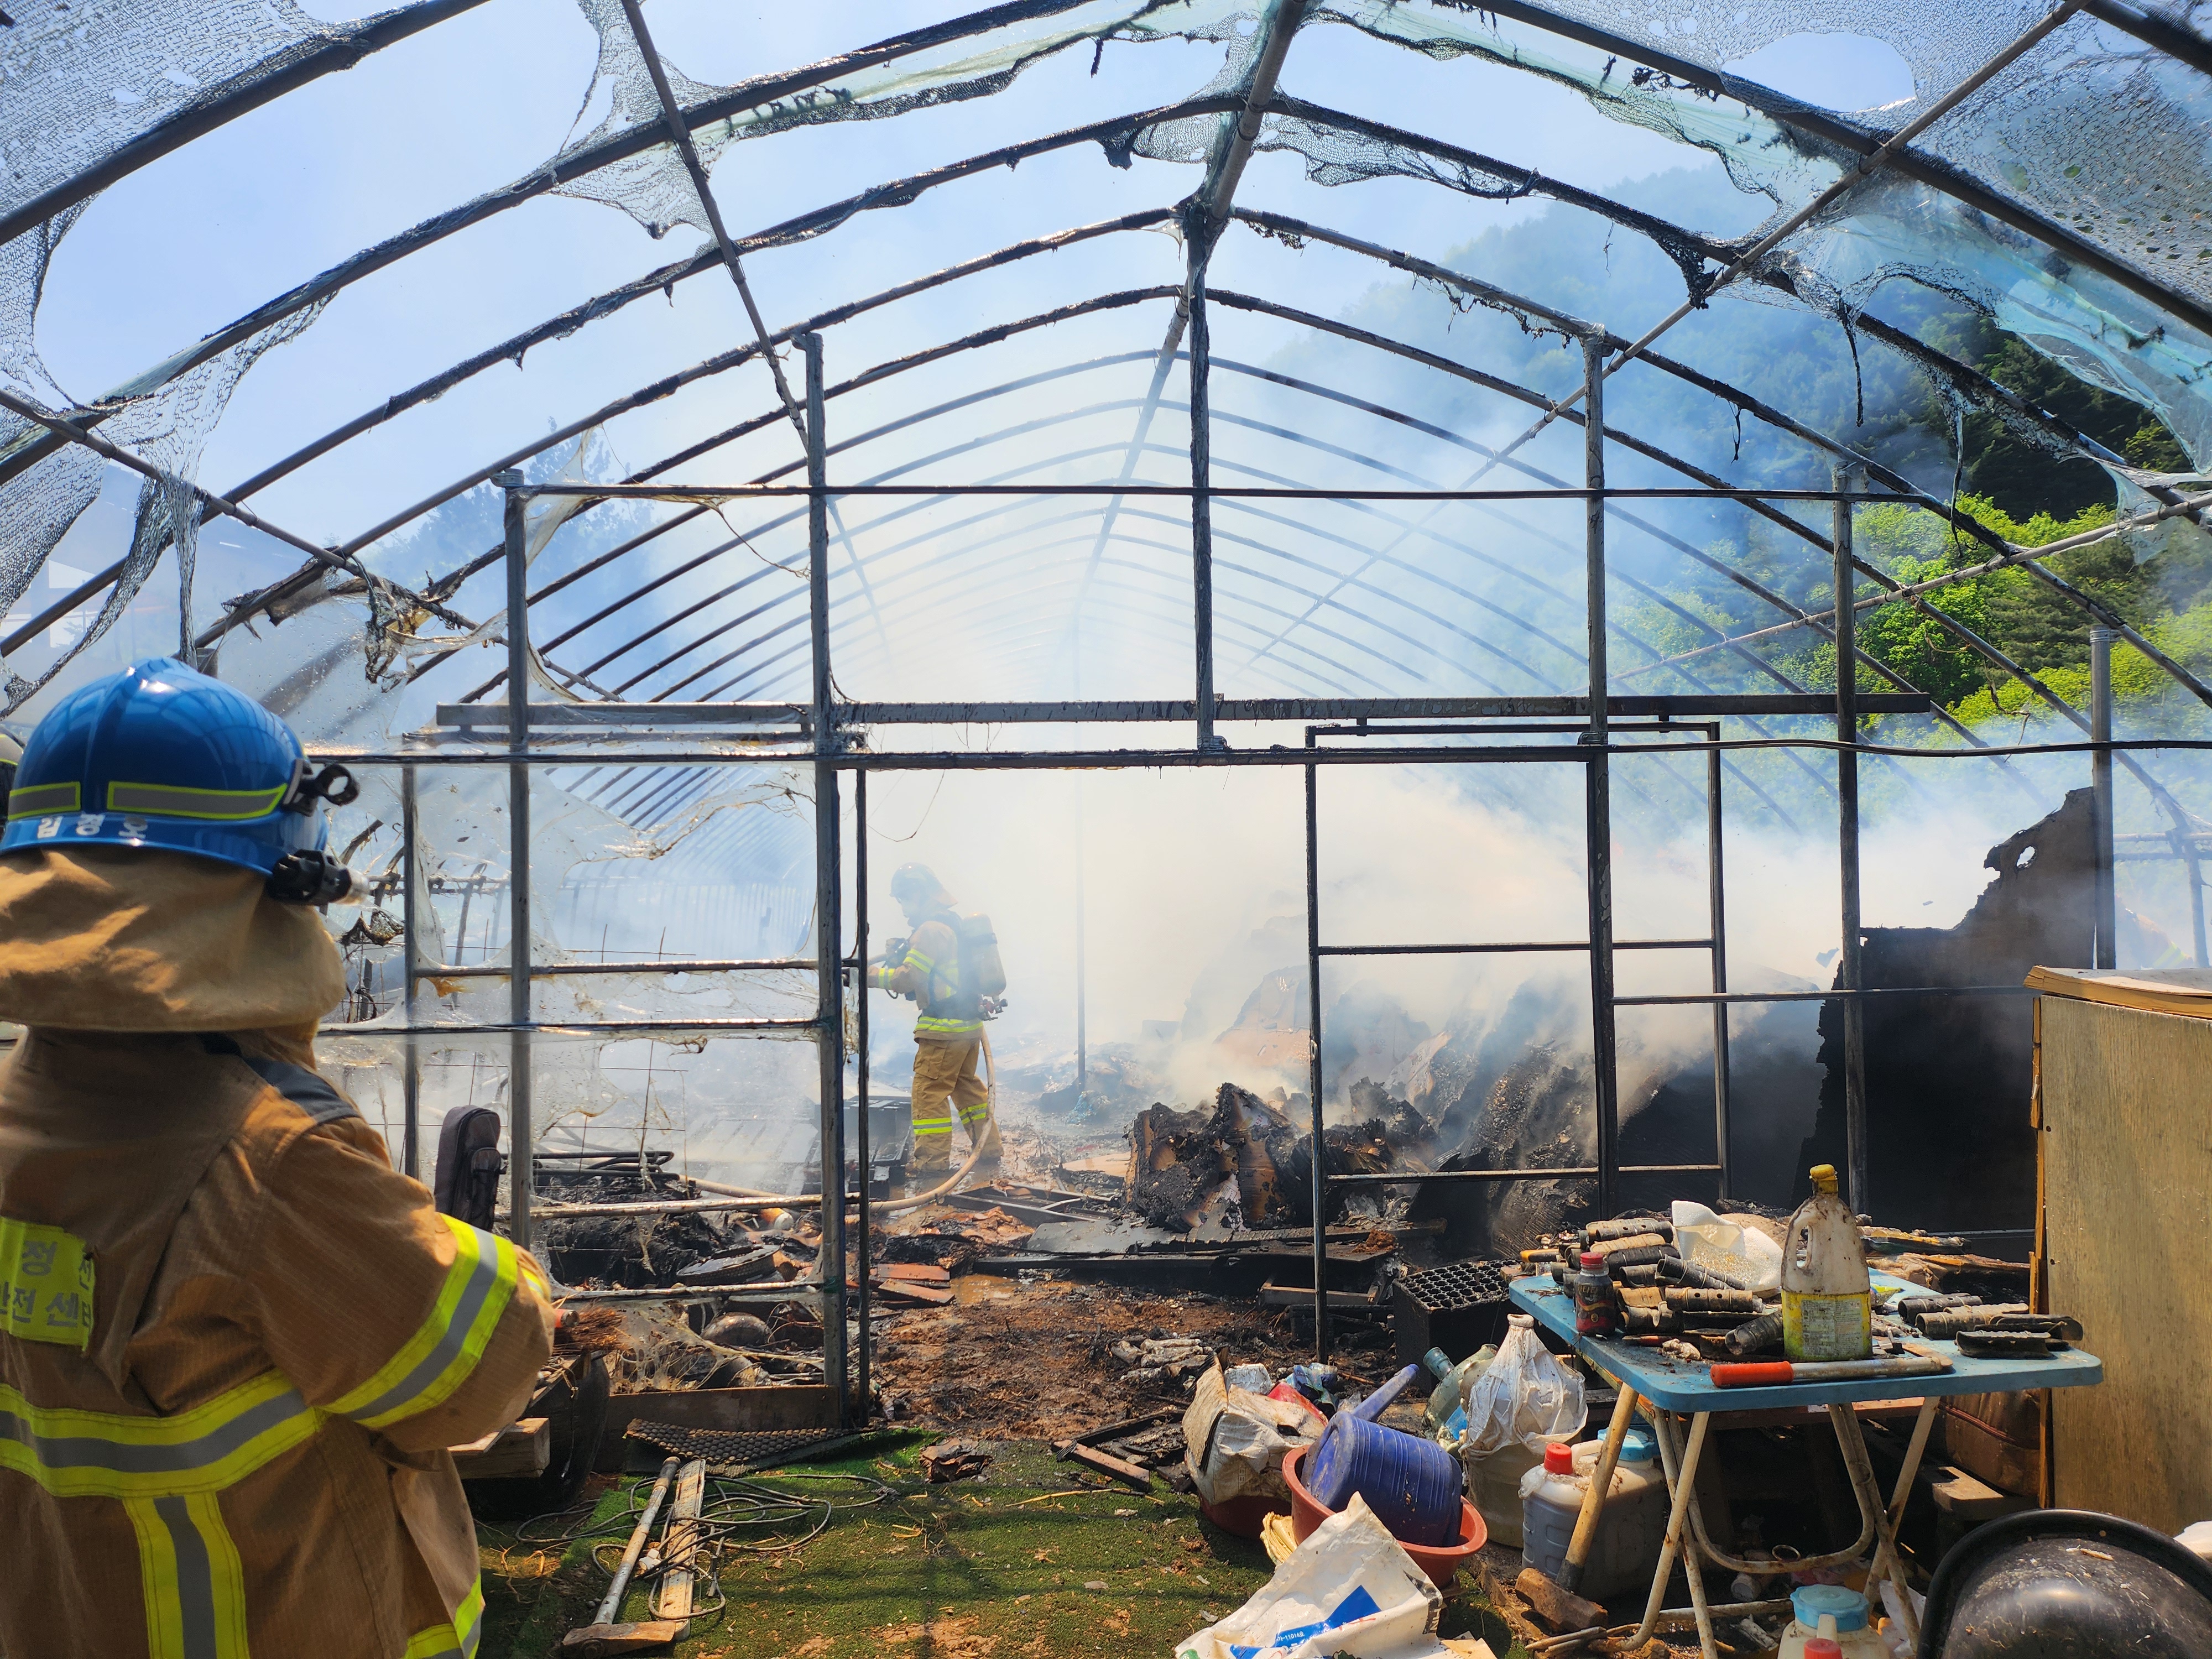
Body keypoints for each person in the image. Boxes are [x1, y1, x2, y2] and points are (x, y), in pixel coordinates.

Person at [0, 658, 554, 1659]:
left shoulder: (17, 1113)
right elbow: (478, 1373)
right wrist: (511, 1274)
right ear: (281, 891)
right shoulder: (269, 1163)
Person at [868, 863, 1004, 1178]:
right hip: (967, 1027)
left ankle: (932, 1164)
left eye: (904, 898)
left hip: (944, 1031)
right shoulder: (951, 924)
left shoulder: (930, 930)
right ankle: (989, 1149)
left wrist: (869, 976)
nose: (903, 907)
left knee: (928, 1093)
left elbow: (908, 979)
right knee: (967, 1089)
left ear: (920, 894)